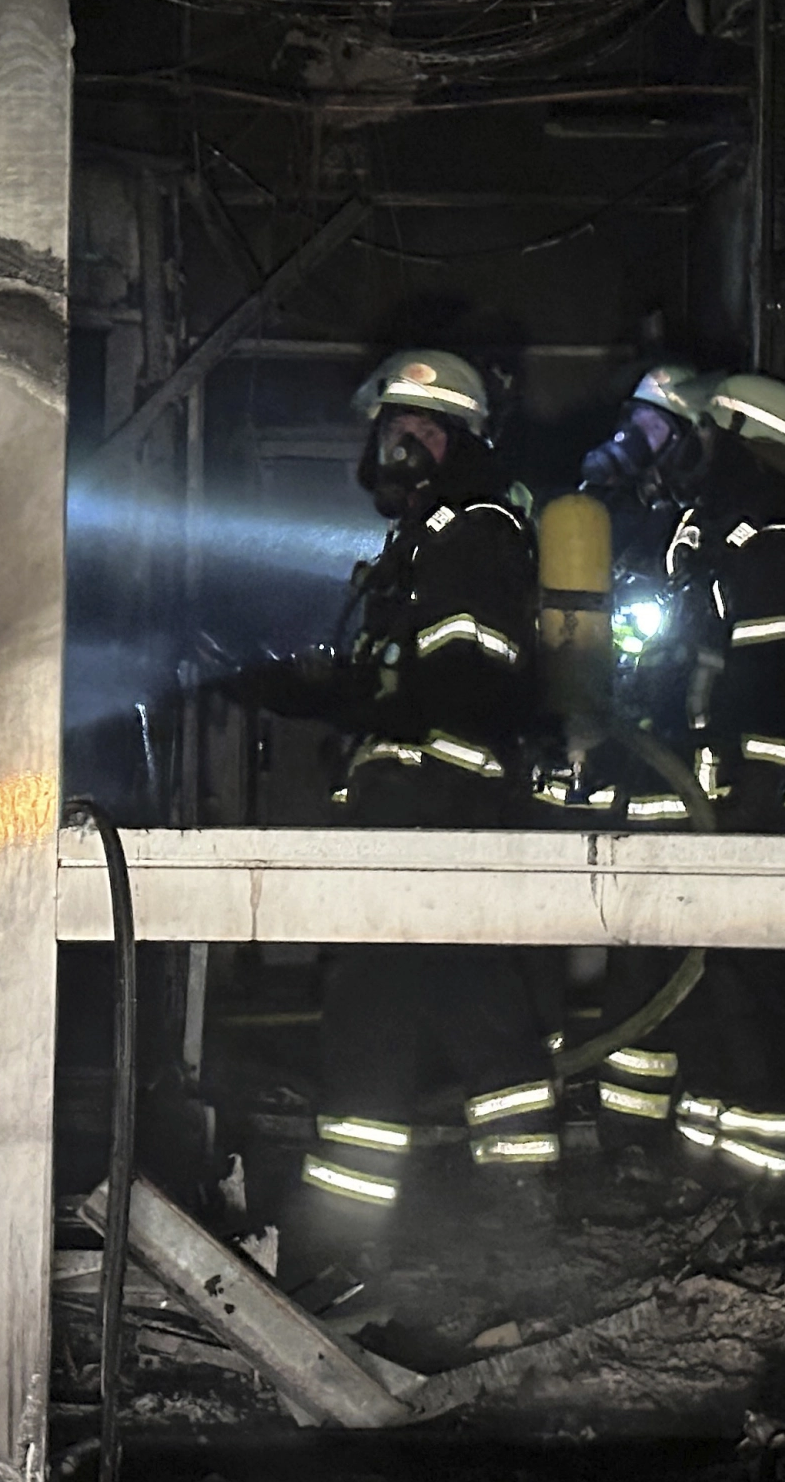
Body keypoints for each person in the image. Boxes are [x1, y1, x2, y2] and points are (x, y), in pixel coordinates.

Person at [229, 349, 559, 1235]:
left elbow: (463, 675)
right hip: (421, 805)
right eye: (391, 429)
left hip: (435, 805)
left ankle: (349, 1219)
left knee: (375, 997)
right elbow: (384, 686)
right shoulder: (422, 540)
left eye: (418, 429)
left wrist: (410, 742)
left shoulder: (472, 529)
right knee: (466, 991)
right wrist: (265, 684)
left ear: (459, 438)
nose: (398, 445)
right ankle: (515, 1198)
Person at [568, 368, 785, 1189]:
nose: (688, 446)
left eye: (701, 431)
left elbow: (774, 675)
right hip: (676, 801)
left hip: (726, 812)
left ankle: (752, 1182)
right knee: (654, 979)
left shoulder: (769, 537)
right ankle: (642, 1157)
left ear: (745, 443)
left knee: (733, 994)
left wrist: (755, 801)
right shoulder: (695, 532)